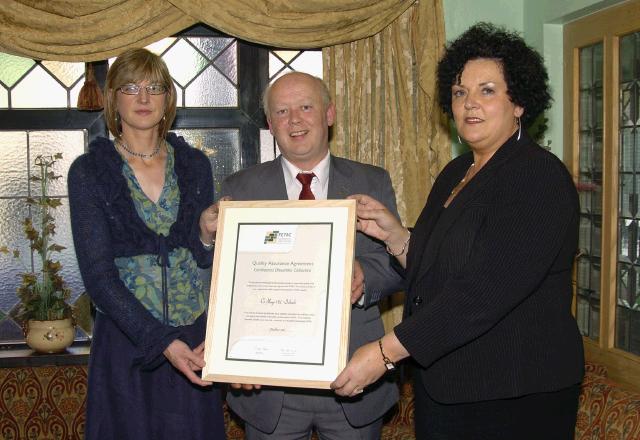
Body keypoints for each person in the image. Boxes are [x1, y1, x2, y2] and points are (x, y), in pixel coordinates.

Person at [331, 23, 585, 439]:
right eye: (459, 92)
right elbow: (441, 273)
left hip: (513, 395)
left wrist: (383, 353)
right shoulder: (456, 172)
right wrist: (397, 237)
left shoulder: (536, 176)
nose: (470, 104)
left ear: (519, 101)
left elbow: (483, 291)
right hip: (447, 386)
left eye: (487, 90)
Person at [219, 72, 404, 439]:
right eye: (282, 111)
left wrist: (364, 274)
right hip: (269, 390)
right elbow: (225, 283)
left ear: (329, 113)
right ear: (271, 124)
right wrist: (230, 353)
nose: (295, 120)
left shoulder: (372, 181)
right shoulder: (239, 189)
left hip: (354, 378)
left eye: (306, 107)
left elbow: (399, 263)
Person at [68, 48, 225, 440]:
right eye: (130, 87)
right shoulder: (89, 171)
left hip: (195, 343)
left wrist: (206, 235)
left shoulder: (195, 164)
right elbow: (99, 278)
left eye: (154, 87)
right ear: (113, 98)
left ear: (168, 98)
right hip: (127, 348)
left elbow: (203, 261)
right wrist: (161, 341)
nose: (143, 98)